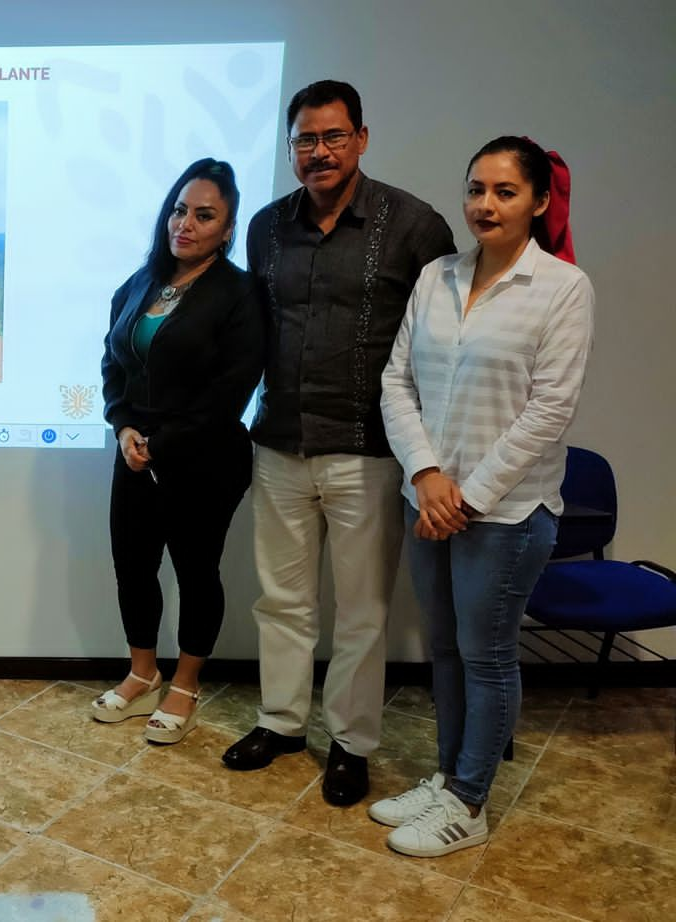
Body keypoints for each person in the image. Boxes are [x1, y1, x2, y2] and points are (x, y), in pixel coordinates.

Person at [222, 80, 457, 806]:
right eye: (304, 140)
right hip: (279, 441)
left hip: (368, 448)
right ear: (290, 147)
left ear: (361, 137)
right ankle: (283, 722)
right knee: (283, 599)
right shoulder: (265, 228)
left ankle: (351, 744)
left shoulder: (415, 226)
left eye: (332, 137)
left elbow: (440, 343)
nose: (318, 152)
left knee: (362, 611)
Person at [374, 137, 592, 856]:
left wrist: (466, 496)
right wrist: (427, 478)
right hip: (428, 500)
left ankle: (469, 804)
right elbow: (396, 383)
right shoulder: (436, 275)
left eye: (503, 191)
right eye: (475, 189)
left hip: (507, 513)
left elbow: (550, 411)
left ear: (537, 201)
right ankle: (447, 775)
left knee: (486, 653)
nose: (484, 204)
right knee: (443, 648)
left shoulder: (563, 288)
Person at [93, 158, 264, 743]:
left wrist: (160, 443)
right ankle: (143, 673)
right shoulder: (141, 283)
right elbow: (112, 364)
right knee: (132, 567)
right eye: (178, 209)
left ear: (227, 225)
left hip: (203, 459)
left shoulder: (239, 293)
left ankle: (186, 684)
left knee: (196, 571)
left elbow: (230, 391)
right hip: (135, 453)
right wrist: (123, 430)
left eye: (203, 215)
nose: (184, 223)